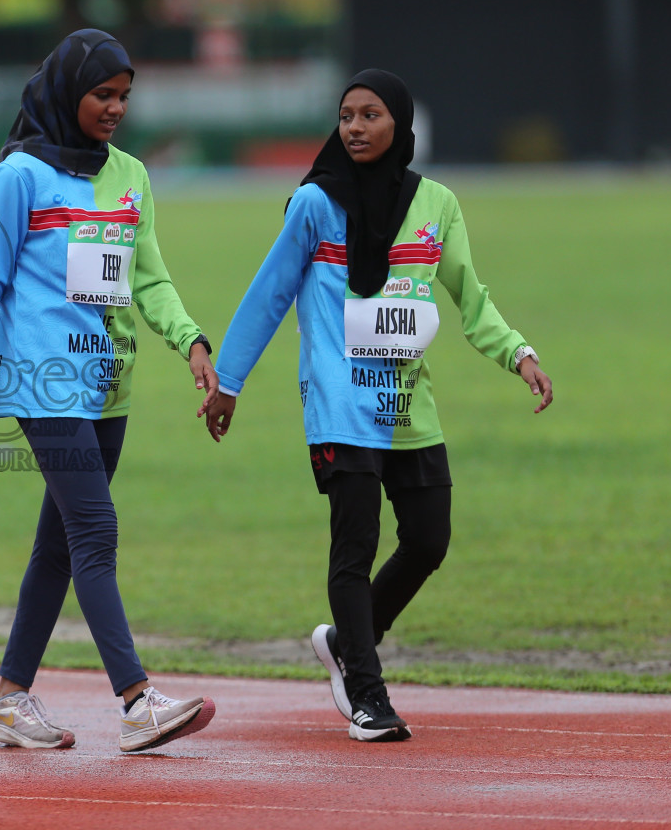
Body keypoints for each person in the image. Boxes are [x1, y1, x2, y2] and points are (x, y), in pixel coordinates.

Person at [206, 69, 554, 741]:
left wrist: (519, 353)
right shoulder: (314, 204)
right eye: (346, 116)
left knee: (429, 539)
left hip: (407, 405)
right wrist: (230, 382)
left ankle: (347, 642)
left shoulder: (439, 206)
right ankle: (367, 696)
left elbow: (469, 298)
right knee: (354, 546)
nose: (356, 127)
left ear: (400, 125)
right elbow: (270, 291)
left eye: (370, 115)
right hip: (338, 402)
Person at [0, 29, 219, 754]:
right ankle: (135, 699)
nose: (116, 108)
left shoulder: (129, 174)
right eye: (103, 94)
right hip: (42, 382)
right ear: (68, 92)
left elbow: (149, 278)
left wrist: (190, 340)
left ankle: (8, 699)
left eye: (125, 96)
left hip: (109, 384)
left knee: (61, 546)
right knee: (95, 530)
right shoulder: (19, 177)